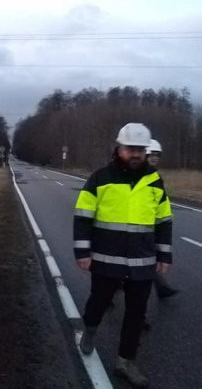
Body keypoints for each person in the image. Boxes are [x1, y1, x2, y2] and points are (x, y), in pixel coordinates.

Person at [74, 123, 173, 388]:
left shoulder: (154, 180)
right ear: (119, 148)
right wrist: (83, 252)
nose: (136, 154)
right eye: (131, 149)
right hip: (106, 260)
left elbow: (163, 220)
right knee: (98, 302)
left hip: (142, 262)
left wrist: (164, 255)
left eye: (140, 149)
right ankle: (90, 331)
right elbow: (83, 217)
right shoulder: (100, 178)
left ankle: (125, 362)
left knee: (136, 314)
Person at [146, 139, 178, 300]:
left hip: (147, 228)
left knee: (146, 261)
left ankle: (161, 287)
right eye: (151, 154)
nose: (154, 158)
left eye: (157, 155)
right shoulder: (133, 174)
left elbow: (161, 206)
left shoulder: (155, 178)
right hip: (126, 228)